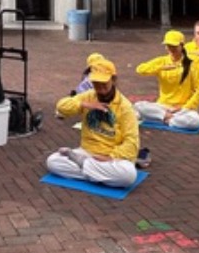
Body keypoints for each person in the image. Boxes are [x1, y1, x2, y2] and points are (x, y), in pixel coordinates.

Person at [47, 56, 139, 186]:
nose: (100, 89)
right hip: (86, 152)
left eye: (104, 84)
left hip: (111, 157)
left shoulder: (125, 107)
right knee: (53, 162)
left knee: (129, 175)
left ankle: (85, 166)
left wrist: (111, 156)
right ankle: (96, 173)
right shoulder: (89, 96)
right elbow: (61, 107)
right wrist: (84, 104)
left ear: (113, 80)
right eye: (96, 84)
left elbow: (132, 143)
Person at [134, 30, 199, 130]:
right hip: (162, 106)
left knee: (195, 121)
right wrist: (160, 68)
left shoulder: (191, 64)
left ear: (181, 45)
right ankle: (165, 117)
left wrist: (185, 107)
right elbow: (140, 69)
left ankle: (170, 120)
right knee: (138, 106)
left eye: (174, 46)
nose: (170, 49)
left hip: (182, 108)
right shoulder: (162, 61)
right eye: (168, 45)